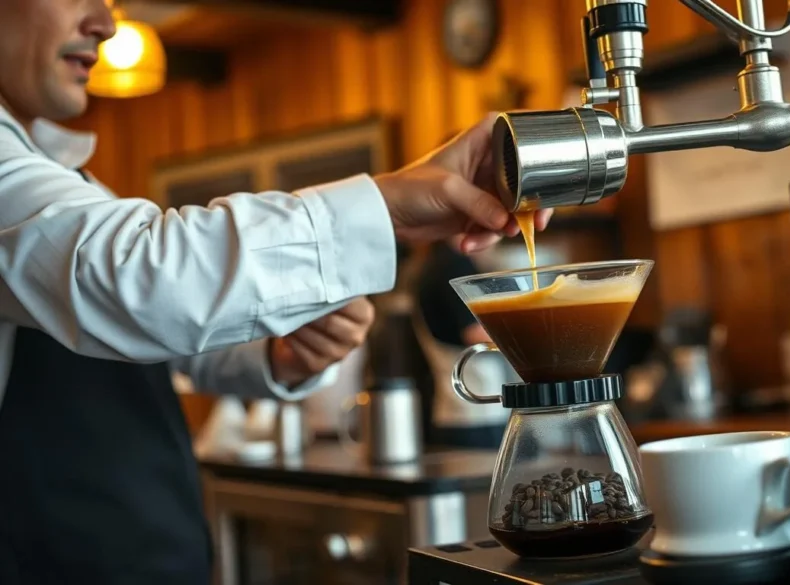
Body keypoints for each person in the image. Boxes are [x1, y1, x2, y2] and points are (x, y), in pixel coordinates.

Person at [0, 1, 552, 583]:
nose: (105, 24)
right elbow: (140, 278)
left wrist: (277, 353)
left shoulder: (60, 174)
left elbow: (161, 339)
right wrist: (384, 206)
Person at [414, 237, 515, 449]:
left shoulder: (433, 263)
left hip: (457, 411)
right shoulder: (454, 266)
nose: (496, 239)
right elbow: (475, 333)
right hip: (476, 412)